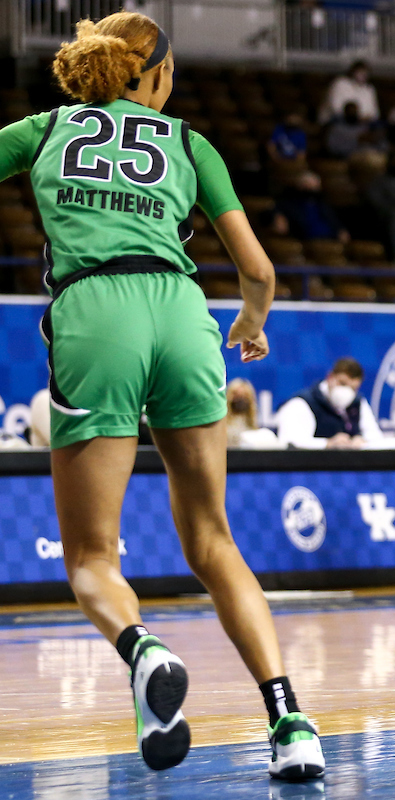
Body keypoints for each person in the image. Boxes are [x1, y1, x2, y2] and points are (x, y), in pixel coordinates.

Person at [0, 12, 323, 779]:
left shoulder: (43, 130)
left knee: (91, 557)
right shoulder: (188, 142)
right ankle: (290, 723)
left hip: (95, 312)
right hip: (182, 313)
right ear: (157, 75)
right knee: (213, 541)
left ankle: (143, 650)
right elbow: (259, 270)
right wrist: (251, 321)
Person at [276, 357, 383, 450]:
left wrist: (363, 441)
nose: (347, 391)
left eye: (353, 388)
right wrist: (327, 443)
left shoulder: (358, 402)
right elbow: (290, 441)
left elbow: (375, 437)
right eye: (342, 383)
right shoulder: (302, 403)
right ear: (330, 377)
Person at [271, 171, 350, 243]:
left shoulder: (323, 204)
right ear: (300, 185)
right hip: (306, 239)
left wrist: (340, 230)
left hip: (330, 238)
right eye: (309, 184)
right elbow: (275, 210)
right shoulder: (289, 204)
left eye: (315, 185)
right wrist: (278, 216)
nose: (312, 188)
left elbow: (334, 221)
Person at [320, 60, 378, 124]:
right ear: (353, 71)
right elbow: (335, 109)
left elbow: (374, 114)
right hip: (335, 122)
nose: (363, 75)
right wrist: (355, 117)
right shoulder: (340, 83)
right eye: (360, 72)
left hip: (360, 124)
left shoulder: (369, 89)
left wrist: (361, 118)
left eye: (365, 73)